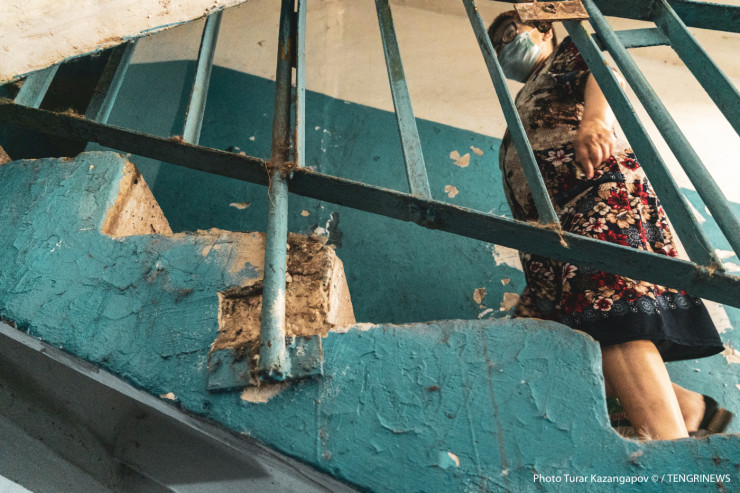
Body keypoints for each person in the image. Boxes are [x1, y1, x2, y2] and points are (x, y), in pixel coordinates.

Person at [488, 10, 732, 440]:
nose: (505, 47)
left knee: (607, 314)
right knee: (545, 343)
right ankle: (689, 407)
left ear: (545, 29)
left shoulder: (567, 52)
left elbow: (602, 67)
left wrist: (596, 120)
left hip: (593, 196)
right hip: (552, 230)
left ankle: (669, 450)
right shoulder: (525, 94)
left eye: (511, 32)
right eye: (496, 45)